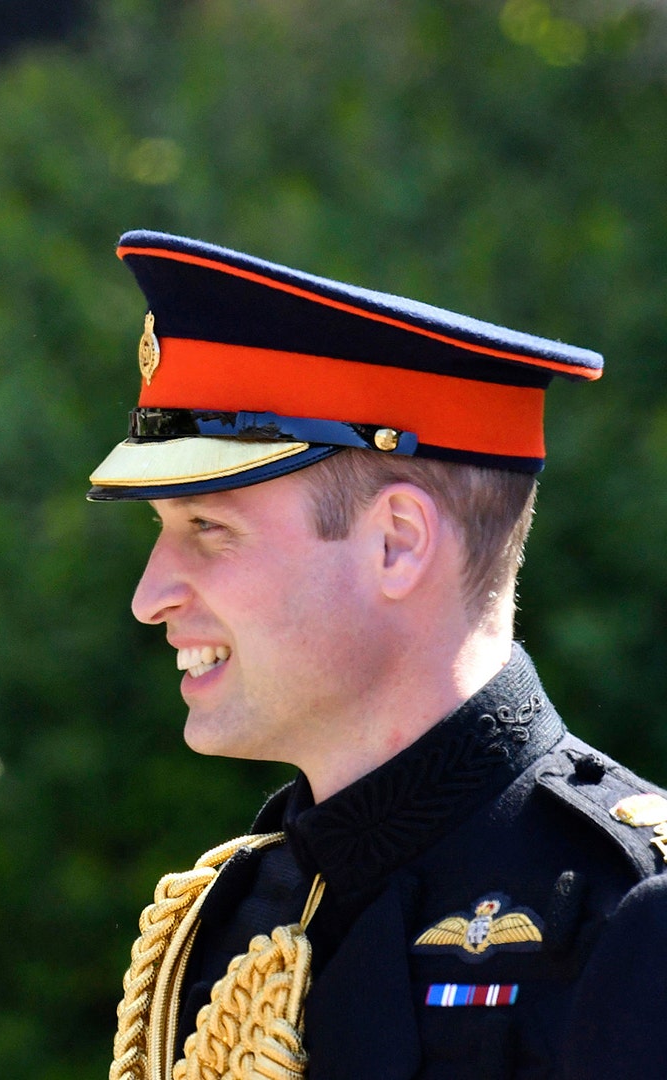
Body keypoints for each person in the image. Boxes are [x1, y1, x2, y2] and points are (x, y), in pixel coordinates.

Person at [89, 231, 667, 1079]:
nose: (150, 596)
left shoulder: (631, 916)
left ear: (396, 543)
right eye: (162, 532)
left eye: (208, 528)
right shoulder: (228, 919)